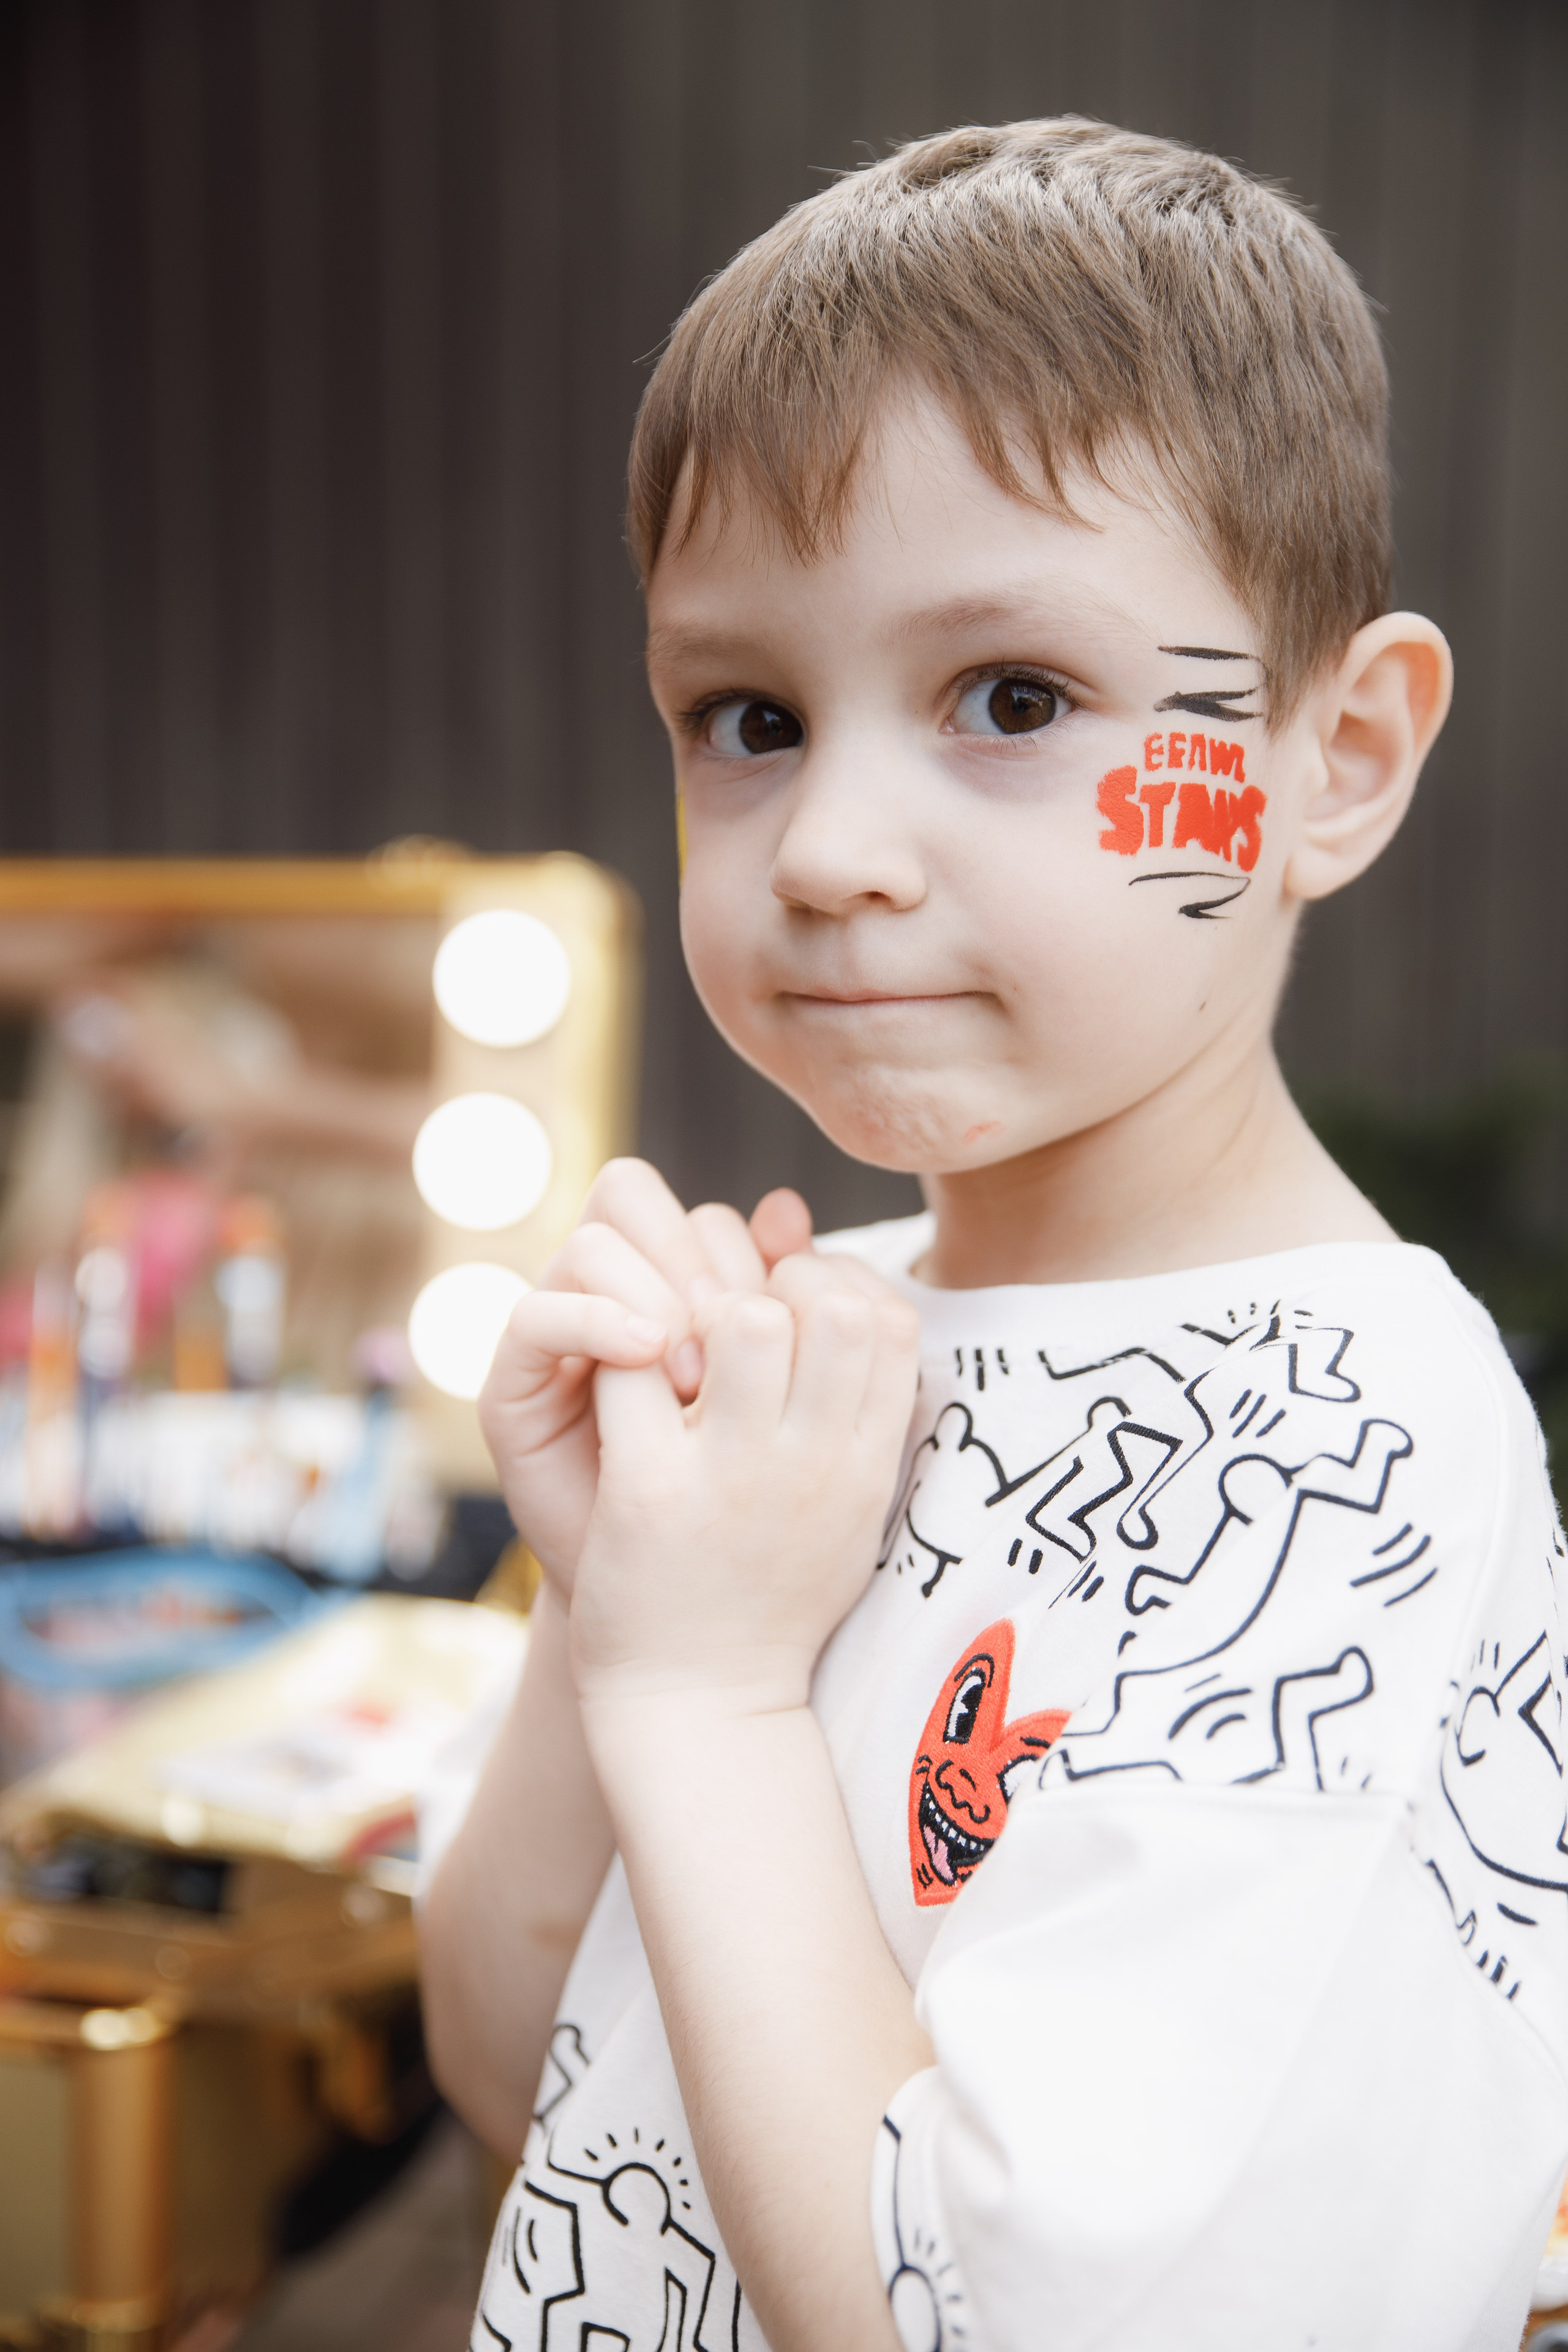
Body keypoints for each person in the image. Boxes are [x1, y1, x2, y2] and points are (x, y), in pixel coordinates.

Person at [418, 120, 1568, 2351]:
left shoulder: (1345, 1455)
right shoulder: (830, 1332)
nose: (827, 846)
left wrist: (703, 1681)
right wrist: (613, 1606)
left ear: (1331, 759)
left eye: (1016, 700)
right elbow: (516, 2066)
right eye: (749, 719)